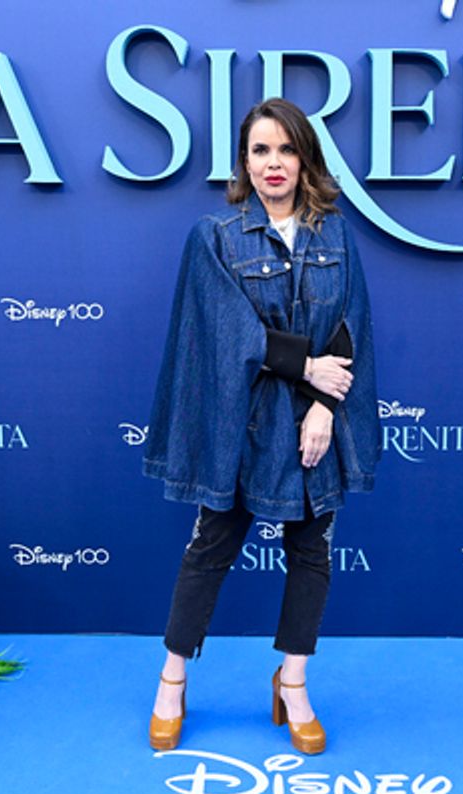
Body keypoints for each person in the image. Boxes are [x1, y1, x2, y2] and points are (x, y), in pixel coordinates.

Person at [142, 97, 381, 755]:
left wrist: (327, 410)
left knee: (311, 550)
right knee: (210, 546)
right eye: (260, 151)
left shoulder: (337, 234)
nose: (273, 163)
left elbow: (349, 327)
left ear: (305, 156)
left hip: (313, 423)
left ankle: (294, 681)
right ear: (244, 162)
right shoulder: (215, 236)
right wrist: (306, 367)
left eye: (285, 149)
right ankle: (172, 679)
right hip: (242, 423)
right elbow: (224, 332)